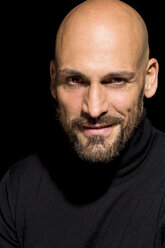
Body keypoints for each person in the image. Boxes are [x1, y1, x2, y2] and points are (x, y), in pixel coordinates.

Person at [0, 0, 164, 247]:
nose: (94, 108)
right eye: (76, 80)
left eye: (116, 80)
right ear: (54, 79)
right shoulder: (18, 187)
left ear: (149, 79)